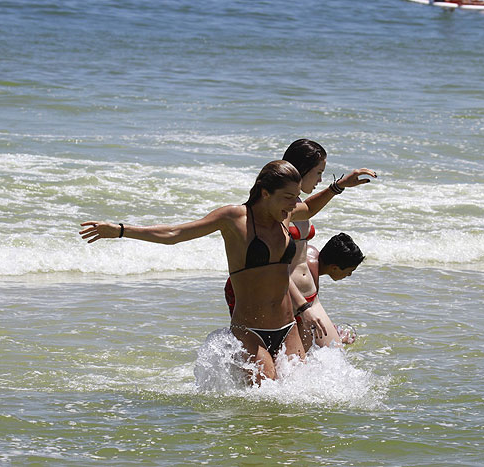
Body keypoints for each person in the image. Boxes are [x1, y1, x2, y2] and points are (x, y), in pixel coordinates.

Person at [79, 160, 372, 385]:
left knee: (297, 403)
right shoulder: (234, 219)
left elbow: (307, 208)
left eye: (295, 196)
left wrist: (338, 186)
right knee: (267, 403)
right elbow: (175, 232)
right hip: (250, 331)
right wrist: (119, 231)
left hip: (288, 327)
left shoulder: (286, 214)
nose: (294, 204)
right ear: (265, 192)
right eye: (287, 197)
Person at [225, 139, 377, 350]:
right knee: (291, 368)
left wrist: (339, 185)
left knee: (332, 356)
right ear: (302, 170)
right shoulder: (277, 208)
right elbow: (273, 261)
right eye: (318, 172)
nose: (320, 179)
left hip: (309, 295)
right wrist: (302, 307)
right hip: (287, 296)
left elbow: (308, 209)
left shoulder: (296, 205)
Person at [299, 233, 365, 351]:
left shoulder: (312, 252)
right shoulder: (309, 271)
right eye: (349, 271)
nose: (349, 275)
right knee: (332, 350)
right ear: (334, 267)